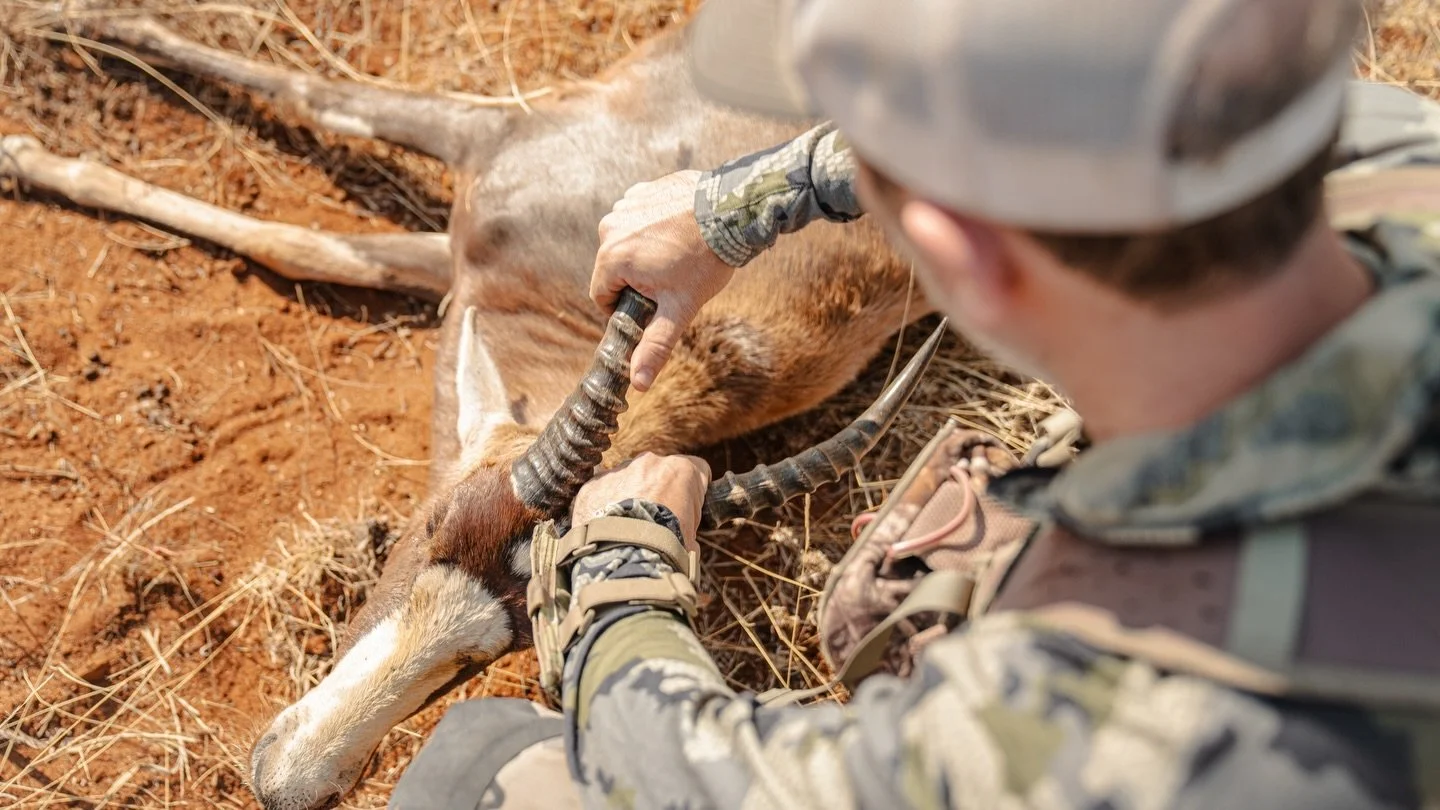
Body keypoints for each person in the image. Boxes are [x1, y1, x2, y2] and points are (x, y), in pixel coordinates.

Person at [391, 0, 1440, 807]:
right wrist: (737, 207)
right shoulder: (1401, 155)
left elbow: (691, 777)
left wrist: (623, 572)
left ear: (960, 260)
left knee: (480, 766)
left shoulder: (1097, 741)